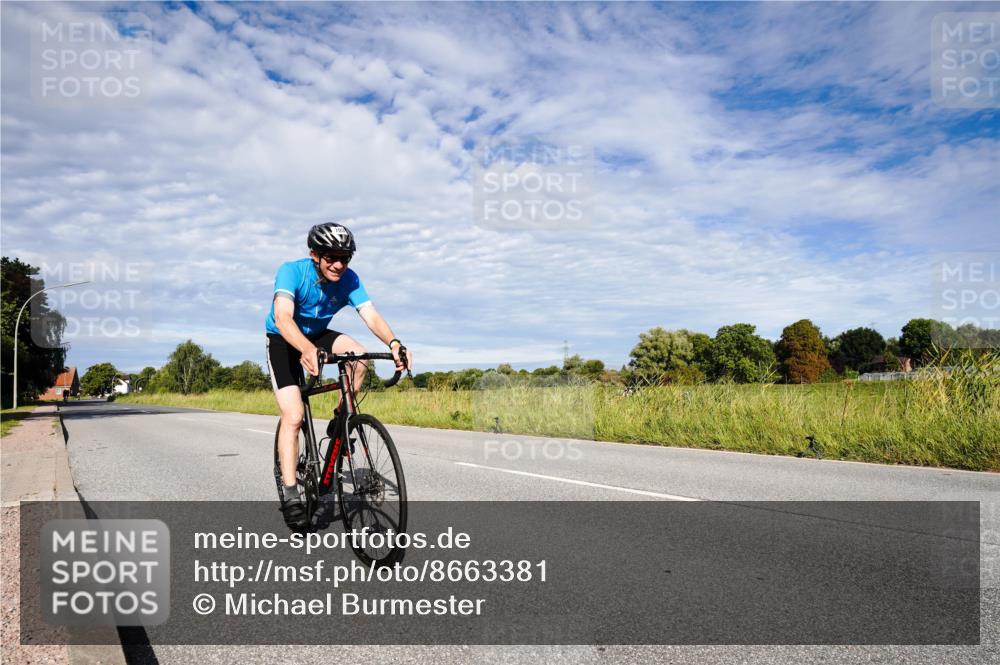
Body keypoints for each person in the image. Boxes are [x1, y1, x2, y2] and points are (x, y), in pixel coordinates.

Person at [265, 222, 411, 530]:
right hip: (283, 337)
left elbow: (370, 314)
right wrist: (304, 349)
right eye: (331, 257)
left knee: (358, 359)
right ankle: (291, 494)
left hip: (318, 335)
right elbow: (282, 316)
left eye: (345, 257)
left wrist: (395, 343)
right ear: (314, 255)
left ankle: (340, 418)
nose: (339, 264)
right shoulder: (292, 271)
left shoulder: (349, 279)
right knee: (293, 416)